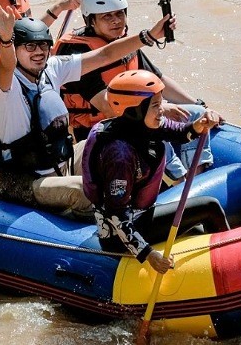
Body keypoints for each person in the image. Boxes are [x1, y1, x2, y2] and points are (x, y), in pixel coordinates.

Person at [0, 0, 173, 219]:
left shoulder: (51, 69)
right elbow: (6, 65)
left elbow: (104, 55)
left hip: (61, 165)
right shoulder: (5, 84)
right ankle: (110, 226)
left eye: (43, 45)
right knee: (85, 191)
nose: (38, 52)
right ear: (16, 50)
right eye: (29, 46)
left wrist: (147, 37)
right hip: (22, 181)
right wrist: (6, 39)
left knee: (111, 141)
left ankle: (143, 201)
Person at [52, 0, 212, 184]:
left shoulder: (125, 44)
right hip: (99, 128)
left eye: (120, 14)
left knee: (195, 113)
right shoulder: (76, 53)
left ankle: (196, 181)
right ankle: (178, 182)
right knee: (153, 126)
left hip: (138, 115)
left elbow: (159, 80)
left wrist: (198, 104)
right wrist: (160, 108)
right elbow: (108, 106)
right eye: (107, 17)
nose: (116, 21)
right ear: (90, 21)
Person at [82, 70, 229, 274]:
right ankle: (231, 264)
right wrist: (148, 254)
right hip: (119, 235)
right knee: (209, 207)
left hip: (141, 214)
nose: (162, 110)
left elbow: (177, 132)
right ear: (134, 111)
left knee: (195, 232)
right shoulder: (119, 155)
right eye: (156, 106)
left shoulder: (137, 126)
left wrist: (198, 125)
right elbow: (116, 214)